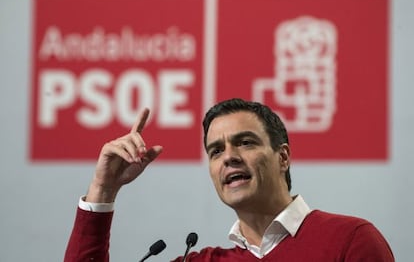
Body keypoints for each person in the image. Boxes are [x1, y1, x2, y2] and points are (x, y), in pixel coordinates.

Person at [64, 98, 394, 261]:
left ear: (283, 157)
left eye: (245, 142)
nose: (229, 157)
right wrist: (103, 191)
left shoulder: (350, 240)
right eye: (216, 151)